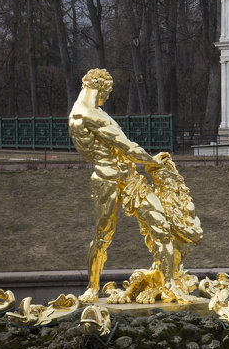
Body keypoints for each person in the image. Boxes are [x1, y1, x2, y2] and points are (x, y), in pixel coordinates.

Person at [69, 68, 176, 303]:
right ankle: (93, 286)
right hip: (111, 179)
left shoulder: (80, 113)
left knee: (154, 226)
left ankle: (168, 284)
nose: (107, 97)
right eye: (107, 93)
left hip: (123, 176)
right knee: (105, 235)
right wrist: (153, 161)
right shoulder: (91, 116)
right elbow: (127, 147)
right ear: (102, 89)